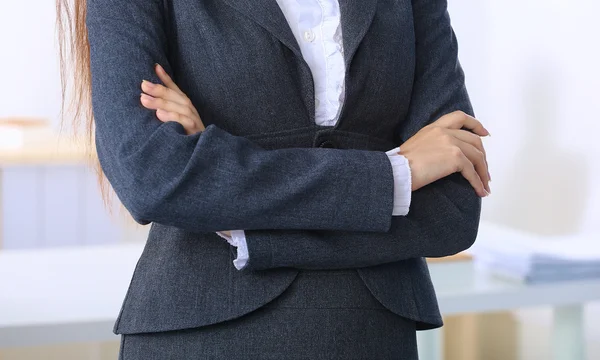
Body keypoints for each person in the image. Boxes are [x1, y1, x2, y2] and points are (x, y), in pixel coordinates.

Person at [57, 0, 490, 358]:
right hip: (201, 332)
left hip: (370, 333)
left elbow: (452, 210)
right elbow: (152, 177)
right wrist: (397, 173)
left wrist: (228, 202)